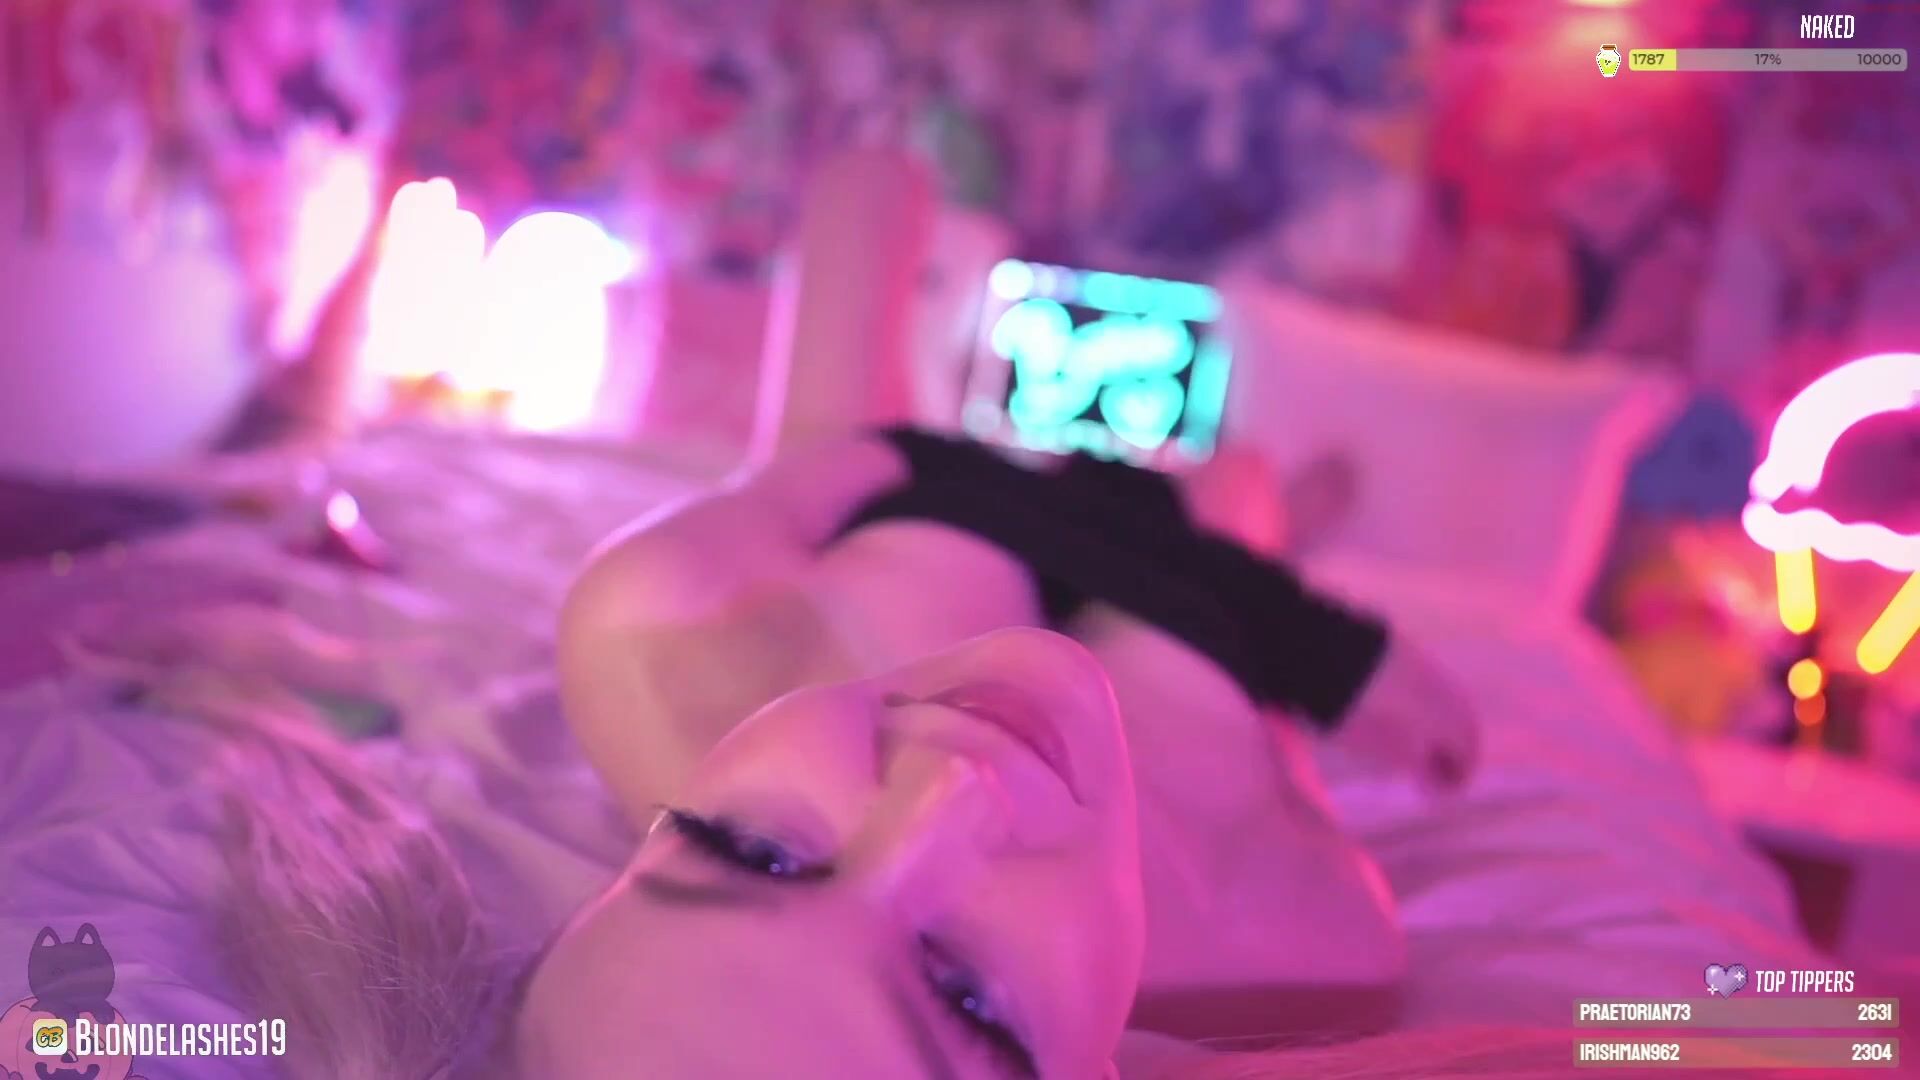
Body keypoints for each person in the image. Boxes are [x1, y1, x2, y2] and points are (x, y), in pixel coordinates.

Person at [143, 425, 1500, 1080]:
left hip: (953, 483)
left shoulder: (651, 638)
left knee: (872, 203)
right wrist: (1292, 626)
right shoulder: (1314, 941)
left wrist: (1328, 650)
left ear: (657, 836)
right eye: (970, 1003)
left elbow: (875, 455)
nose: (950, 790)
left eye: (758, 851)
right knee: (1234, 501)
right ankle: (1266, 505)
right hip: (1186, 594)